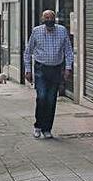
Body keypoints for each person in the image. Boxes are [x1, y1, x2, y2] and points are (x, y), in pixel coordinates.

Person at [24, 10, 73, 139]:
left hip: (56, 69)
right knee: (42, 96)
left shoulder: (62, 31)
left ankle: (47, 128)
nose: (49, 20)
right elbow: (28, 52)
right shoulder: (36, 31)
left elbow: (68, 50)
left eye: (51, 17)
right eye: (46, 17)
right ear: (42, 19)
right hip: (41, 69)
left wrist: (68, 68)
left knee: (51, 99)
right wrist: (28, 70)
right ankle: (38, 126)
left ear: (55, 19)